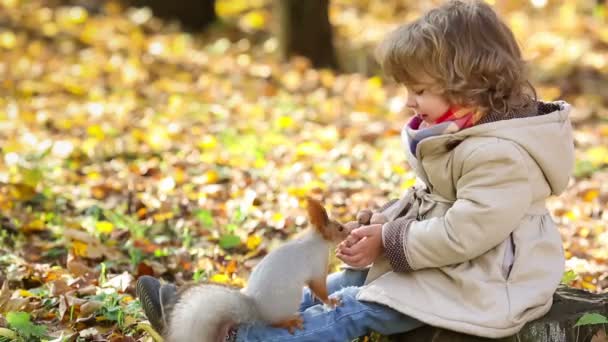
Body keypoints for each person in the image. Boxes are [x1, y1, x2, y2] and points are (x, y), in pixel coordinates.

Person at [138, 1, 574, 340]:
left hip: (484, 282)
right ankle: (225, 312)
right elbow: (436, 202)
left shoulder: (501, 154)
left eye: (419, 90)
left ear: (471, 85)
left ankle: (244, 338)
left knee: (353, 305)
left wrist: (391, 239)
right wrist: (384, 223)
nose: (408, 101)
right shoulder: (465, 133)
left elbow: (467, 230)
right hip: (452, 265)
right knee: (340, 281)